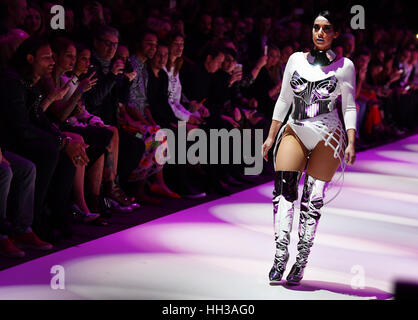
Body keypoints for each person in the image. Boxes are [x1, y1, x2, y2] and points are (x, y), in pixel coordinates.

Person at [261, 11, 357, 285]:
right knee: (282, 194)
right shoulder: (294, 60)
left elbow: (349, 105)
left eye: (326, 28)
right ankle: (280, 258)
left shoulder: (345, 66)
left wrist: (351, 140)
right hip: (295, 128)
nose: (320, 33)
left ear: (335, 33)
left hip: (329, 134)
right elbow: (283, 99)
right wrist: (270, 136)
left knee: (311, 202)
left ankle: (300, 262)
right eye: (316, 27)